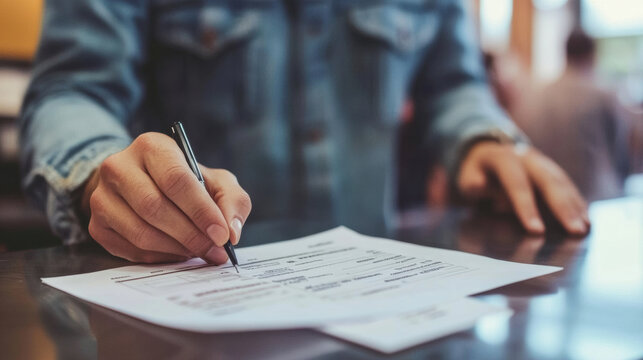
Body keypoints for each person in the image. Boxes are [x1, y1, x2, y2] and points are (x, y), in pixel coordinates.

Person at [20, 0, 589, 264]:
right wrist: (98, 169)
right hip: (184, 318)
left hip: (381, 309)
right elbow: (72, 90)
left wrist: (481, 138)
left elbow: (452, 83)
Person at [515, 30, 633, 201]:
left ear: (565, 53)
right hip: (600, 196)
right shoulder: (604, 94)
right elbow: (620, 152)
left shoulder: (540, 95)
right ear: (592, 55)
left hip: (553, 196)